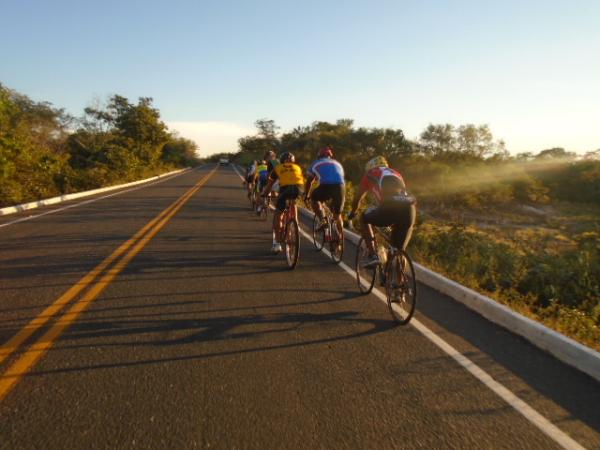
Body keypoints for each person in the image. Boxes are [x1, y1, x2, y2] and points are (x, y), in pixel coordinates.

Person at [347, 156, 416, 267]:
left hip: (389, 206)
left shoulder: (370, 174)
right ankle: (400, 281)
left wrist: (353, 212)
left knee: (363, 218)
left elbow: (357, 197)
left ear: (370, 167)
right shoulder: (396, 173)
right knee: (398, 250)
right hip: (409, 209)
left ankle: (372, 255)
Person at [261, 152, 304, 253]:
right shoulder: (298, 167)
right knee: (293, 202)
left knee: (278, 213)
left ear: (281, 160)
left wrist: (265, 194)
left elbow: (270, 183)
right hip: (299, 190)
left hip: (285, 190)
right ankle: (296, 222)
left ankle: (277, 242)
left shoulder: (278, 168)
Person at [304, 146, 345, 239]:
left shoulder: (316, 163)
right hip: (340, 188)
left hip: (326, 186)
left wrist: (307, 195)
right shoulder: (337, 163)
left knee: (314, 198)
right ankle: (340, 241)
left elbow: (309, 181)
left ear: (319, 156)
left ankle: (322, 220)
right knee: (338, 215)